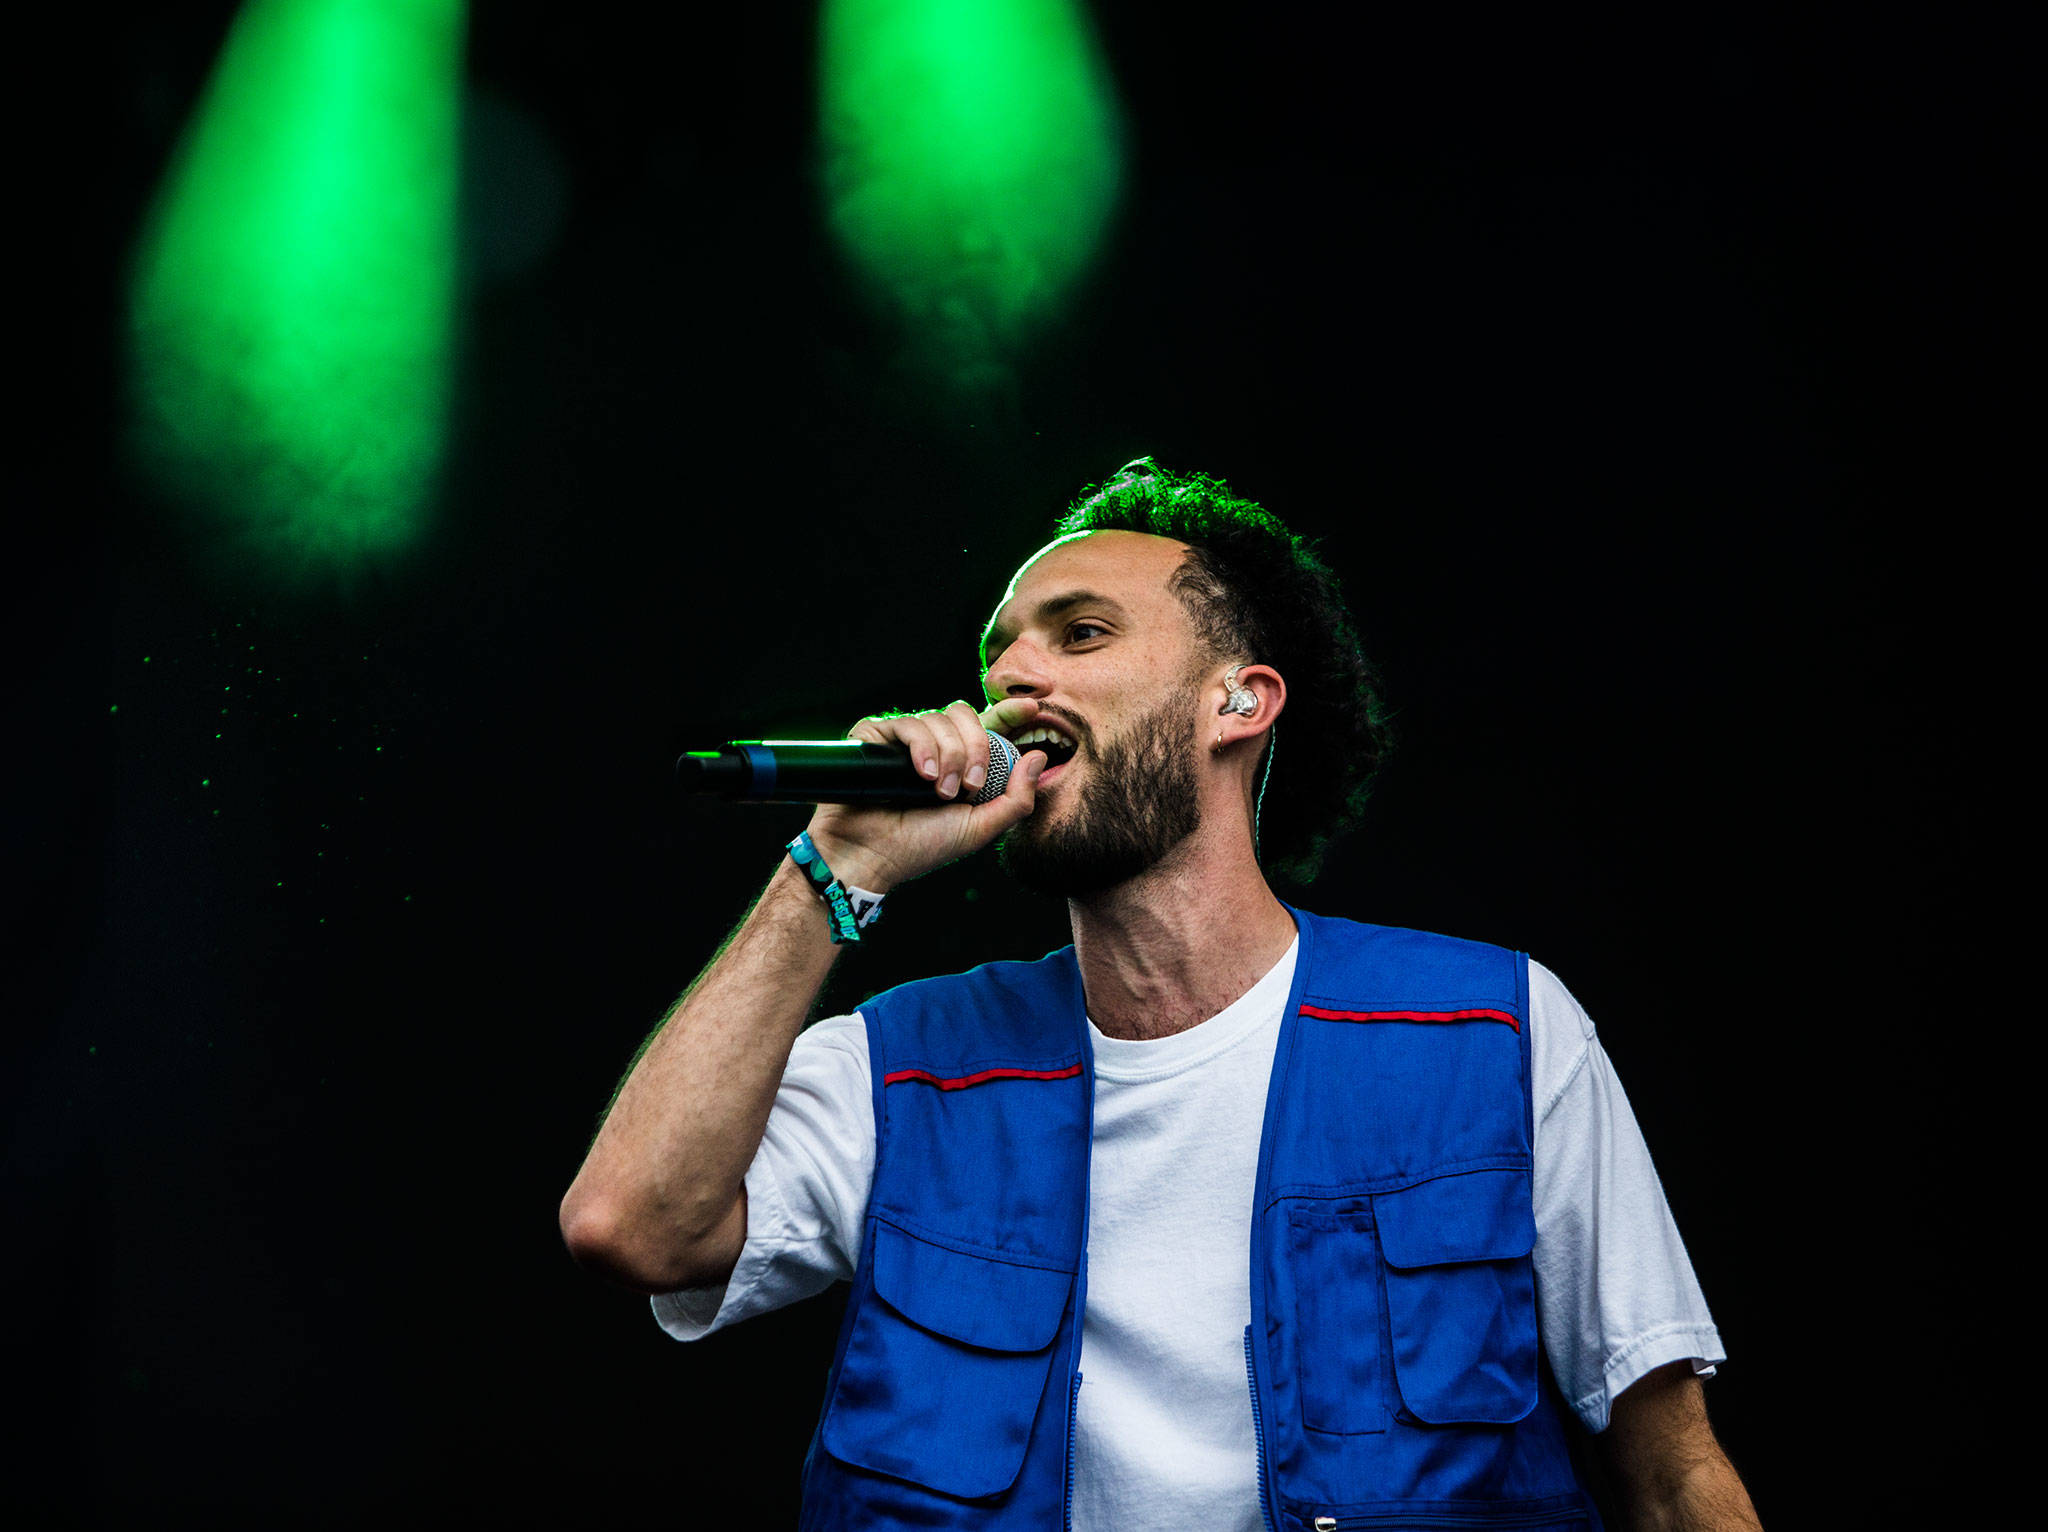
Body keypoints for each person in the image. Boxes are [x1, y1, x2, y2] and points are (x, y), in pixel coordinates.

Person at [560, 460, 1764, 1530]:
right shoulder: (897, 1065)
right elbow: (631, 1225)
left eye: (1078, 634)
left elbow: (1669, 1474)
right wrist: (836, 867)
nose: (1011, 675)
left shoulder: (1495, 1031)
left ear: (1235, 702)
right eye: (999, 650)